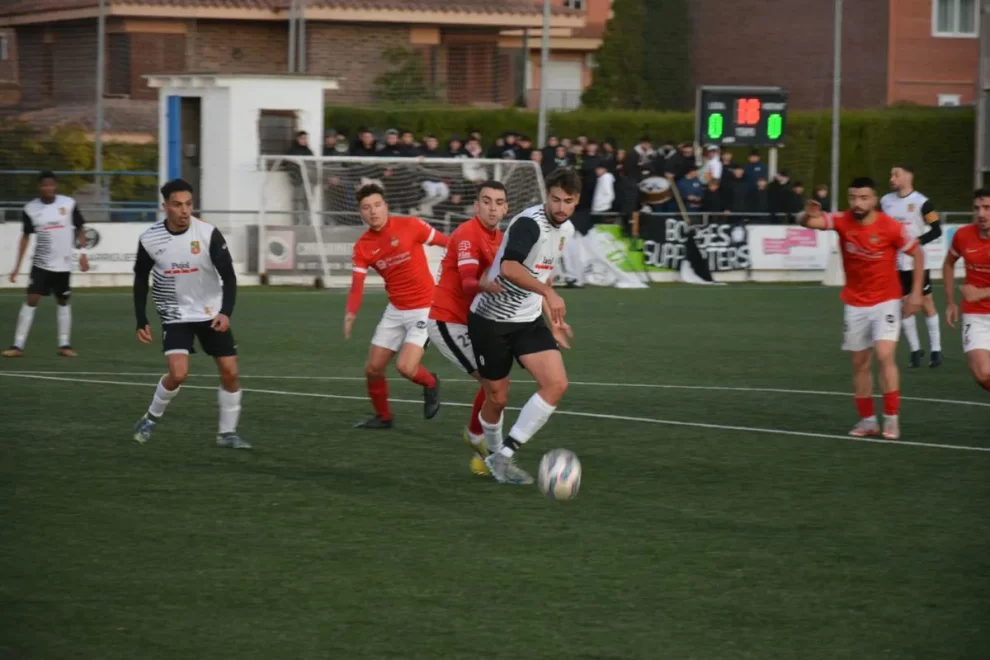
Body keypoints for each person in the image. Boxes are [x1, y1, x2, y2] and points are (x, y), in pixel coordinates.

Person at [467, 168, 578, 484]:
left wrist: (553, 320)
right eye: (554, 199)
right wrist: (548, 293)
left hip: (528, 320)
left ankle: (502, 457)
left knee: (556, 383)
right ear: (547, 196)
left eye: (567, 201)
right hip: (492, 321)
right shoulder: (530, 224)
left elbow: (544, 274)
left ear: (576, 202)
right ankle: (490, 451)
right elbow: (510, 267)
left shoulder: (566, 230)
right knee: (497, 400)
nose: (559, 207)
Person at [799, 178, 924, 440]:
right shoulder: (843, 220)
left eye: (863, 198)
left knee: (884, 353)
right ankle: (868, 421)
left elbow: (918, 254)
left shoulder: (890, 227)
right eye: (853, 197)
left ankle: (891, 417)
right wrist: (806, 215)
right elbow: (810, 222)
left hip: (886, 300)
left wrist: (915, 294)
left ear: (875, 199)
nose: (857, 203)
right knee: (859, 362)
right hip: (855, 302)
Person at [132, 179, 248, 449]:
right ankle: (150, 417)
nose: (184, 211)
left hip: (210, 312)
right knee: (179, 373)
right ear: (165, 207)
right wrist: (141, 318)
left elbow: (229, 277)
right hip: (174, 313)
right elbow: (140, 279)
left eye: (188, 204)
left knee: (230, 372)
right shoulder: (150, 239)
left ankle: (227, 434)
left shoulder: (208, 234)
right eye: (177, 205)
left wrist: (225, 312)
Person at [346, 182, 449, 429]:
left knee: (406, 367)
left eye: (377, 205)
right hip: (395, 310)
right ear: (361, 212)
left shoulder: (411, 225)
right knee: (373, 369)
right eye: (366, 207)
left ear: (386, 206)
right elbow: (357, 284)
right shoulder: (363, 246)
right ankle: (384, 418)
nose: (373, 211)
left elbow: (447, 242)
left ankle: (431, 383)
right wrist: (351, 314)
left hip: (425, 308)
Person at [427, 181, 509, 475]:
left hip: (474, 321)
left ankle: (477, 439)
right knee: (494, 387)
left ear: (505, 208)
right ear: (476, 206)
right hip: (448, 320)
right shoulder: (466, 234)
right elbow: (468, 283)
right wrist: (486, 285)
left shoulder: (501, 239)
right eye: (486, 201)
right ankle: (488, 450)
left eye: (498, 202)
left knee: (499, 385)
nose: (492, 207)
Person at [4, 171, 89, 358]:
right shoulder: (30, 209)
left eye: (51, 185)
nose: (48, 188)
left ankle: (64, 344)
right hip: (41, 263)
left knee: (63, 300)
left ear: (55, 186)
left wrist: (83, 254)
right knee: (32, 299)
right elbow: (25, 237)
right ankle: (17, 345)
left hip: (64, 264)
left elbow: (81, 228)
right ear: (39, 187)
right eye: (44, 185)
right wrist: (17, 267)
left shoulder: (68, 204)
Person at [881, 165, 943, 368]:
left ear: (908, 176)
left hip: (916, 263)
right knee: (903, 307)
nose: (892, 178)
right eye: (891, 174)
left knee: (926, 304)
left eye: (896, 174)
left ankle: (936, 350)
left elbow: (937, 230)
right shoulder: (885, 201)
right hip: (894, 264)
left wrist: (917, 242)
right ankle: (915, 351)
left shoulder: (922, 203)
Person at [943, 188, 990, 390]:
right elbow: (948, 263)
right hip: (976, 314)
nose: (981, 214)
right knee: (983, 373)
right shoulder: (962, 235)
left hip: (980, 299)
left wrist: (982, 293)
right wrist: (951, 302)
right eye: (977, 208)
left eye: (987, 208)